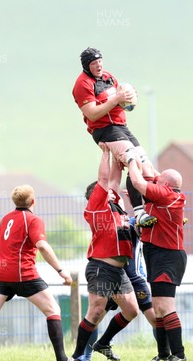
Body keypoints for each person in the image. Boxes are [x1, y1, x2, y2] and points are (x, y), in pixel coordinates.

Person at [0, 185, 76, 361]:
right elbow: (42, 246)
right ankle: (62, 360)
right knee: (53, 310)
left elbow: (0, 243)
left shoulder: (6, 219)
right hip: (22, 273)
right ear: (33, 201)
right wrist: (61, 271)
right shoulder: (33, 220)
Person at [69, 145, 140, 361]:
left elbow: (114, 181)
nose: (111, 190)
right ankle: (77, 357)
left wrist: (120, 161)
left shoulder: (115, 206)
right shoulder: (96, 206)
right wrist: (106, 153)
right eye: (106, 189)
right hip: (101, 267)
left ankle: (102, 343)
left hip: (118, 271)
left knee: (131, 310)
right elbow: (104, 179)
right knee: (96, 310)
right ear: (97, 195)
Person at [72, 47, 156, 227]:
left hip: (121, 126)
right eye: (94, 63)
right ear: (87, 66)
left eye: (100, 61)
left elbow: (123, 102)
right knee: (133, 161)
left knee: (147, 167)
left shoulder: (109, 77)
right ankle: (139, 212)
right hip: (104, 129)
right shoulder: (82, 85)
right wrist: (117, 99)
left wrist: (130, 99)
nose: (99, 65)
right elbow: (92, 114)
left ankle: (155, 209)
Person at [122, 148, 187, 361]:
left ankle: (179, 355)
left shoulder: (168, 195)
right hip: (157, 253)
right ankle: (163, 355)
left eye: (159, 182)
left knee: (166, 306)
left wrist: (130, 158)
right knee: (158, 309)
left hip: (168, 256)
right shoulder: (165, 191)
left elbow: (140, 183)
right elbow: (149, 174)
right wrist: (141, 156)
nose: (155, 183)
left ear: (165, 186)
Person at [77, 219, 160, 361]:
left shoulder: (135, 222)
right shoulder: (105, 222)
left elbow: (149, 226)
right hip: (112, 276)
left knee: (155, 318)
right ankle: (85, 356)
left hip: (135, 279)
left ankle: (163, 354)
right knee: (94, 318)